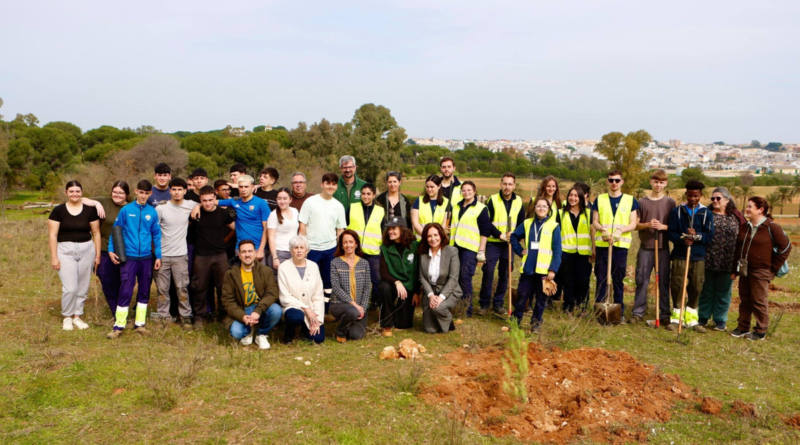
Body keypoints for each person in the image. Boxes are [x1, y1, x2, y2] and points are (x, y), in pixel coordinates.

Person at [106, 180, 162, 339]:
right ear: (136, 192)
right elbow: (115, 232)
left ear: (150, 194)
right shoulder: (126, 210)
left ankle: (140, 324)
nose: (143, 196)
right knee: (126, 290)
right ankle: (119, 326)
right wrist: (111, 250)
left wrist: (158, 256)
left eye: (146, 193)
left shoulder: (152, 212)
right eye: (141, 192)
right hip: (129, 258)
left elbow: (156, 235)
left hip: (146, 258)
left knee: (144, 290)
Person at [731, 197, 790, 341]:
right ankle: (743, 327)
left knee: (758, 300)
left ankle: (760, 330)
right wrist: (734, 269)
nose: (747, 209)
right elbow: (738, 249)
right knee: (745, 299)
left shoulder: (772, 227)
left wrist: (773, 268)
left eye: (750, 206)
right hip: (745, 269)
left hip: (761, 271)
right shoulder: (745, 226)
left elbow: (786, 247)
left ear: (760, 209)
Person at [48, 180, 101, 331]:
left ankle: (77, 316)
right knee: (70, 287)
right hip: (65, 250)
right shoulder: (58, 211)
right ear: (66, 193)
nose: (74, 194)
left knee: (83, 286)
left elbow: (96, 233)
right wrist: (54, 257)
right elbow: (52, 235)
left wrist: (97, 255)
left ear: (82, 193)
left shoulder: (90, 210)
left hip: (87, 249)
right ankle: (67, 316)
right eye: (71, 191)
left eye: (77, 191)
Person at [667, 180, 714, 332]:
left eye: (696, 196)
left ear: (701, 195)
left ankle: (692, 319)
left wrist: (697, 237)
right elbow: (671, 232)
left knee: (696, 285)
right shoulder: (678, 211)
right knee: (677, 284)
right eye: (690, 195)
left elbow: (709, 235)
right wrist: (683, 238)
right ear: (686, 194)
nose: (693, 199)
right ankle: (676, 318)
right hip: (681, 254)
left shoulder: (706, 213)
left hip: (698, 256)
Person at [591, 170, 639, 317]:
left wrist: (621, 230)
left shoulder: (631, 200)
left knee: (618, 279)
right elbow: (595, 221)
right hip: (603, 245)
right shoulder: (600, 199)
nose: (614, 183)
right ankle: (600, 311)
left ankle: (618, 312)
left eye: (617, 180)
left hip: (620, 247)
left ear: (621, 182)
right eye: (611, 180)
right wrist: (602, 229)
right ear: (607, 181)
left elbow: (633, 223)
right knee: (602, 278)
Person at [510, 197, 562, 331]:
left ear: (548, 209)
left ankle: (536, 324)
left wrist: (553, 270)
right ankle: (515, 323)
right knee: (522, 298)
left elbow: (557, 250)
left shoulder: (553, 226)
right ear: (534, 208)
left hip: (544, 272)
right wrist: (520, 251)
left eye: (544, 206)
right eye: (538, 206)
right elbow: (514, 236)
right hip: (528, 269)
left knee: (541, 301)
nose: (541, 209)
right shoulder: (527, 223)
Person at [221, 240, 282, 349]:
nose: (247, 255)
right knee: (236, 332)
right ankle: (248, 331)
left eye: (250, 251)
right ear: (239, 255)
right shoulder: (230, 274)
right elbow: (227, 301)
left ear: (255, 253)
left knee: (276, 310)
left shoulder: (265, 271)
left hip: (261, 308)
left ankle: (261, 333)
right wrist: (242, 316)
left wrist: (258, 311)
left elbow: (272, 293)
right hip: (242, 310)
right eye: (244, 252)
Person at [479, 173, 525, 316]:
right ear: (500, 184)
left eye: (510, 184)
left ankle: (498, 303)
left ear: (514, 186)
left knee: (505, 273)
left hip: (509, 244)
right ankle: (484, 303)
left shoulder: (519, 201)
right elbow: (487, 223)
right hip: (494, 242)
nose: (507, 187)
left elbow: (522, 223)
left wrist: (515, 236)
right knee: (488, 271)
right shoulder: (492, 200)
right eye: (504, 184)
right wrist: (499, 234)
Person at [633, 169, 675, 325]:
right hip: (646, 248)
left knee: (663, 281)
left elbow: (674, 226)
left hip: (662, 248)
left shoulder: (670, 202)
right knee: (641, 280)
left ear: (666, 184)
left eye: (662, 182)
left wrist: (663, 227)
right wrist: (647, 224)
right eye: (656, 181)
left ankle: (664, 313)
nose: (658, 185)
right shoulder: (642, 202)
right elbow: (635, 225)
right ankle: (638, 312)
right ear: (651, 182)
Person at [154, 178, 198, 328]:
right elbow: (154, 230)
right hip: (163, 255)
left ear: (185, 191)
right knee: (162, 289)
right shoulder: (161, 208)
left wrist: (197, 208)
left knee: (182, 287)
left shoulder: (190, 205)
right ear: (169, 191)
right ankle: (163, 316)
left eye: (180, 189)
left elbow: (204, 203)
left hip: (180, 255)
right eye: (174, 189)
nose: (177, 192)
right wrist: (156, 254)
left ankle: (185, 316)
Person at [698, 187, 743, 331]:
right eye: (713, 198)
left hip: (728, 261)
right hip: (707, 259)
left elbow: (743, 237)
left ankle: (720, 320)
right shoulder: (705, 214)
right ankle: (703, 317)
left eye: (718, 198)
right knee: (706, 290)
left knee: (724, 292)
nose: (715, 201)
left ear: (727, 200)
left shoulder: (736, 217)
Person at [189, 185, 235, 327]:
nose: (207, 203)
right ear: (200, 201)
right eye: (204, 201)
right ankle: (199, 316)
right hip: (201, 255)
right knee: (199, 286)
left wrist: (225, 241)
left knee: (223, 287)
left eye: (210, 200)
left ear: (215, 198)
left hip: (220, 255)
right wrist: (196, 208)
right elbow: (189, 233)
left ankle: (224, 314)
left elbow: (235, 228)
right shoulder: (196, 214)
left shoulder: (223, 214)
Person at [200, 174, 270, 262]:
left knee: (259, 275)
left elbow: (266, 229)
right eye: (241, 187)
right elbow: (211, 201)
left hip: (256, 248)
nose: (243, 189)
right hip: (239, 248)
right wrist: (197, 207)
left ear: (252, 187)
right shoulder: (234, 201)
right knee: (240, 275)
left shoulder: (261, 203)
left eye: (246, 187)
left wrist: (261, 249)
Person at [299, 172, 347, 300]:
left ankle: (325, 309)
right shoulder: (310, 202)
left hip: (330, 249)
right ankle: (308, 308)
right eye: (328, 183)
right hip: (311, 249)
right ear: (322, 184)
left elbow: (340, 230)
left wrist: (339, 250)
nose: (330, 187)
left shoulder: (338, 206)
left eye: (333, 184)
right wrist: (304, 247)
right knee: (309, 281)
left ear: (336, 186)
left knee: (328, 281)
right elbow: (302, 225)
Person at [450, 181, 492, 316]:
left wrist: (481, 250)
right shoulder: (456, 207)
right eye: (464, 190)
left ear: (474, 191)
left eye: (469, 190)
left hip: (470, 248)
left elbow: (485, 231)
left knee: (465, 276)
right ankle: (456, 304)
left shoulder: (481, 208)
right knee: (455, 276)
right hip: (455, 246)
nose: (466, 192)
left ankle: (467, 308)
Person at [278, 235, 325, 343]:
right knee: (295, 316)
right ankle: (289, 334)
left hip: (312, 310)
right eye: (296, 248)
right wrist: (306, 309)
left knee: (318, 339)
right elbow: (285, 297)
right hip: (293, 307)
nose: (299, 251)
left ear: (307, 250)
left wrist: (317, 319)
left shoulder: (313, 266)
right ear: (291, 250)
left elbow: (318, 295)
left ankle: (305, 329)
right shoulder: (283, 267)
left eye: (302, 248)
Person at [92, 181, 130, 316]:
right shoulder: (104, 202)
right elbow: (81, 199)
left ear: (127, 194)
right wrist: (96, 204)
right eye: (115, 192)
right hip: (103, 249)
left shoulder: (131, 207)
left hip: (125, 251)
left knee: (123, 283)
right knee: (107, 281)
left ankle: (122, 310)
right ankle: (116, 312)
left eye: (121, 193)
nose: (117, 195)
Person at [377, 217, 419, 336]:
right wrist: (396, 282)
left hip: (408, 287)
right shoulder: (385, 248)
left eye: (394, 228)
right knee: (384, 287)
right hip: (392, 284)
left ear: (402, 229)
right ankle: (387, 323)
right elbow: (383, 272)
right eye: (389, 229)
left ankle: (398, 315)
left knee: (404, 325)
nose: (390, 231)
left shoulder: (414, 246)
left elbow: (418, 270)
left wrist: (416, 292)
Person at [418, 223, 461, 333]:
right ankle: (437, 318)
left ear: (441, 235)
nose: (433, 239)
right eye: (429, 236)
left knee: (438, 307)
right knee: (429, 330)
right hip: (431, 291)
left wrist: (440, 298)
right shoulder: (422, 253)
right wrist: (431, 296)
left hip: (449, 291)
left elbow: (453, 278)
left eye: (435, 235)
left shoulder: (452, 251)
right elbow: (422, 277)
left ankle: (448, 319)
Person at [329, 230, 372, 342]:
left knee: (356, 336)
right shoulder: (335, 262)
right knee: (353, 311)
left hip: (359, 307)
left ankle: (349, 324)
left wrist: (362, 307)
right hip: (339, 304)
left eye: (351, 242)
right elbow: (336, 288)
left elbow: (367, 288)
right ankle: (340, 330)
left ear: (356, 244)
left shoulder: (364, 263)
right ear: (342, 245)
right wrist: (354, 305)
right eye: (345, 242)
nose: (348, 245)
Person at [557, 186, 593, 314]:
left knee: (583, 280)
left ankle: (582, 305)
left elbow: (593, 233)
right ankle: (568, 305)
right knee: (568, 280)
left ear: (582, 198)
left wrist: (593, 251)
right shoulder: (561, 213)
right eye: (570, 195)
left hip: (584, 253)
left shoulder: (589, 213)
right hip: (566, 252)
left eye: (576, 196)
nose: (573, 198)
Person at [347, 183, 384, 293]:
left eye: (368, 194)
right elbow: (344, 228)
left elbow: (383, 230)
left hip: (373, 252)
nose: (365, 196)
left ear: (373, 195)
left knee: (376, 280)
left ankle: (375, 304)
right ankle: (355, 304)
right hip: (355, 251)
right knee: (354, 280)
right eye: (363, 194)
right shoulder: (352, 208)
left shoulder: (380, 211)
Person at [267, 187, 299, 271]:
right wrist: (275, 257)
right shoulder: (273, 215)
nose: (282, 201)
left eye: (285, 198)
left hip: (294, 252)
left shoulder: (295, 211)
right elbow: (271, 237)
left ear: (290, 199)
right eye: (279, 198)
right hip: (280, 252)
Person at [411, 174, 450, 240]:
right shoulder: (418, 201)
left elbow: (444, 225)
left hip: (438, 241)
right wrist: (427, 237)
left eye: (432, 187)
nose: (429, 189)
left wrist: (434, 238)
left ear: (439, 186)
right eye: (427, 187)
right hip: (421, 240)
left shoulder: (446, 202)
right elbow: (415, 223)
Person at [333, 155, 367, 221]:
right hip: (338, 225)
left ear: (355, 167)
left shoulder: (364, 185)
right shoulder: (334, 185)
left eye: (350, 167)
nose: (348, 170)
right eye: (345, 167)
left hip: (357, 226)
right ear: (340, 168)